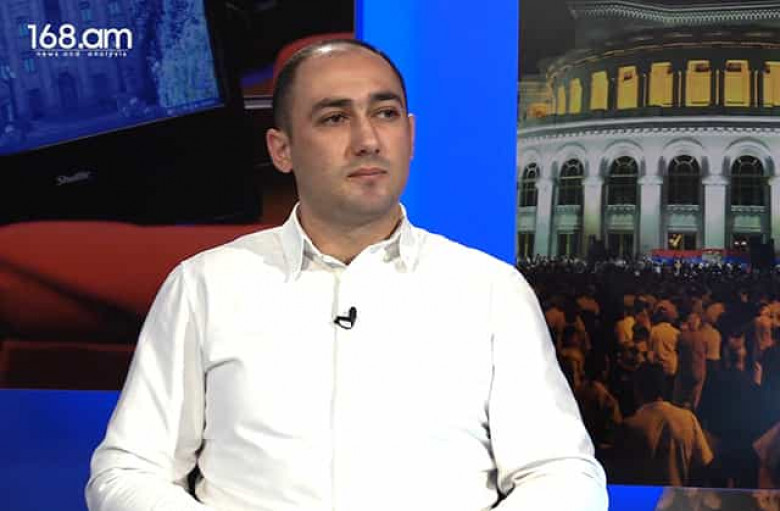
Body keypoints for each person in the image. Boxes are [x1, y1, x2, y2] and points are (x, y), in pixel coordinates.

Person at [85, 40, 607, 511]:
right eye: (335, 118)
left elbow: (563, 474)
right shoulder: (205, 285)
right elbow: (127, 471)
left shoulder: (490, 290)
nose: (368, 140)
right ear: (281, 150)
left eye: (385, 113)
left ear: (410, 135)